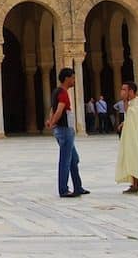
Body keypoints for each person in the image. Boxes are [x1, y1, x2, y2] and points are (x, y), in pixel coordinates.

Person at [45, 68, 89, 198]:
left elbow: (52, 109)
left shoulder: (56, 92)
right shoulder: (63, 93)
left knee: (74, 159)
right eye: (73, 78)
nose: (74, 80)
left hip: (62, 129)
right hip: (65, 130)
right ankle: (63, 189)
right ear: (67, 78)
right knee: (65, 160)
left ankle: (78, 187)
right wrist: (53, 122)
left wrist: (50, 121)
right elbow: (59, 110)